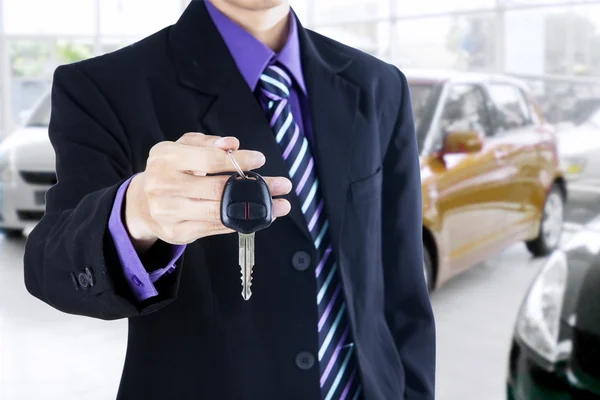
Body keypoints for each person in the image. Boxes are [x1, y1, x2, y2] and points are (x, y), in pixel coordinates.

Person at [23, 0, 436, 398]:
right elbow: (51, 267)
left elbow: (402, 284)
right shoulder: (104, 87)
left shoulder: (378, 84)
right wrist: (137, 213)